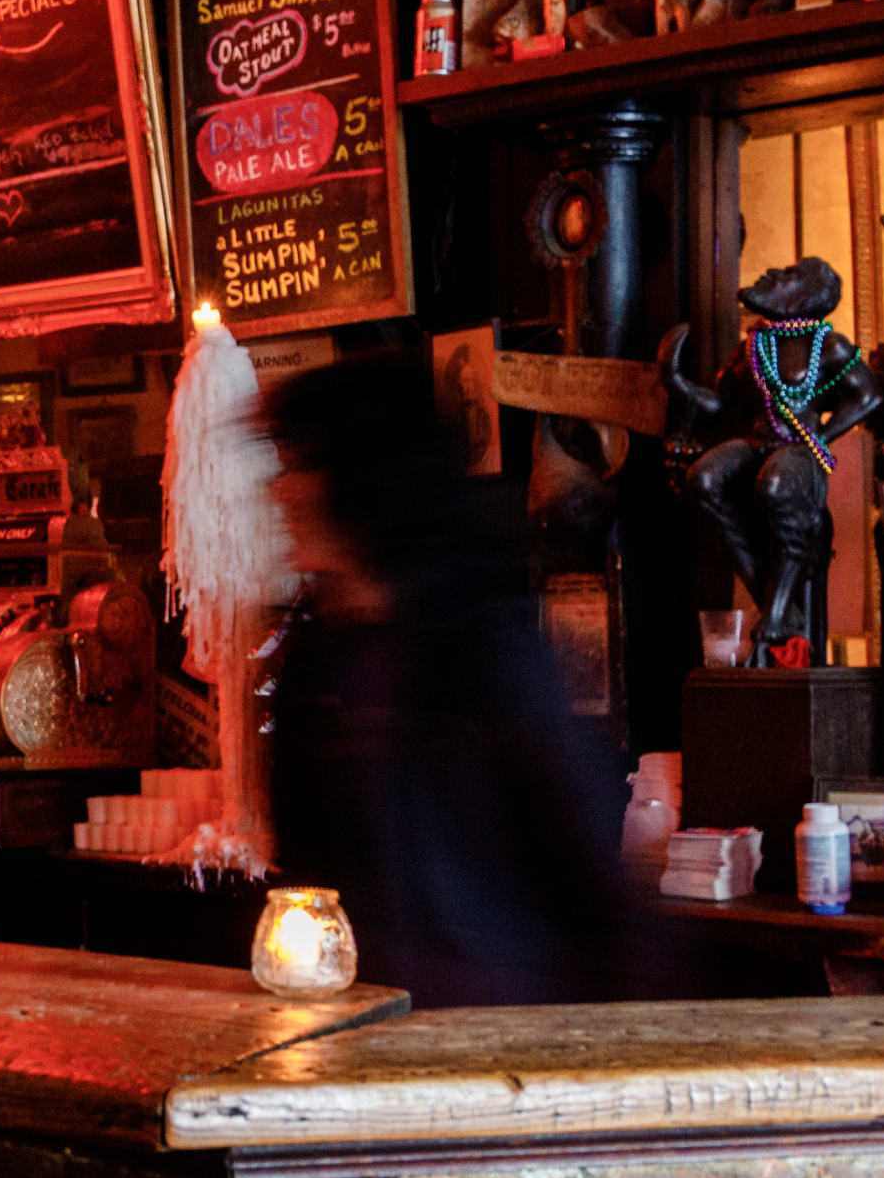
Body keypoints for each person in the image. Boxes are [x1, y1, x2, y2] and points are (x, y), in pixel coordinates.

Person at [262, 337, 645, 1009]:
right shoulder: (314, 658)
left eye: (296, 466)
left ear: (357, 479)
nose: (278, 490)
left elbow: (589, 882)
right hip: (359, 1039)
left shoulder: (481, 647)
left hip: (491, 1045)